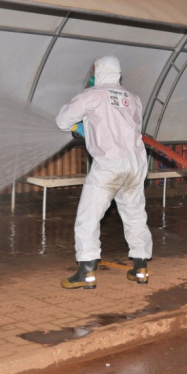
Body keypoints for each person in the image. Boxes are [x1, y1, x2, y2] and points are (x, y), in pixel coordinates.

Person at [55, 55, 153, 289]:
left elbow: (62, 121)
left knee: (88, 217)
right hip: (136, 163)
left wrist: (80, 127)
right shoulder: (134, 98)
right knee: (135, 214)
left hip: (109, 164)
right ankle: (140, 268)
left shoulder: (91, 95)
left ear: (98, 72)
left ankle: (86, 272)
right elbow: (133, 128)